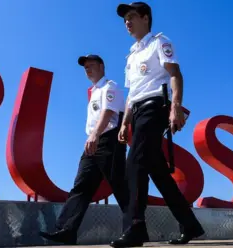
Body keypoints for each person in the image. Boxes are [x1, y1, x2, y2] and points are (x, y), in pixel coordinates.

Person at [110, 2, 205, 247]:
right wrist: (124, 123)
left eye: (131, 17)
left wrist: (175, 107)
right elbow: (132, 93)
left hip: (156, 106)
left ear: (145, 18)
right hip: (139, 111)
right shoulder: (131, 56)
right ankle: (190, 225)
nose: (127, 22)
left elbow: (175, 74)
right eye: (124, 19)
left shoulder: (159, 42)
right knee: (159, 173)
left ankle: (136, 228)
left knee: (134, 165)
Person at [39, 54, 130, 245]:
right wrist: (92, 137)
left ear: (102, 66)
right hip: (93, 142)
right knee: (81, 187)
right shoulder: (93, 91)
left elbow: (108, 112)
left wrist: (95, 135)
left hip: (108, 141)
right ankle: (67, 230)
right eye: (85, 67)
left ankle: (134, 229)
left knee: (119, 186)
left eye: (91, 65)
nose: (87, 69)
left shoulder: (109, 86)